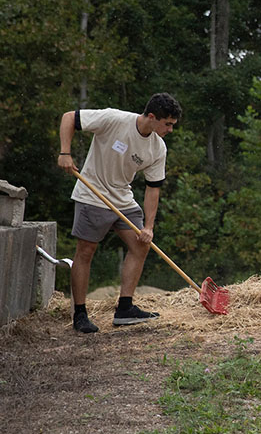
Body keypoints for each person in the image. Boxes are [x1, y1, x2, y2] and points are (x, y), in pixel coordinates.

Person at [57, 93, 182, 333]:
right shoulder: (113, 119)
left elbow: (153, 189)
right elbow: (69, 118)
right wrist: (65, 153)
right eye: (167, 124)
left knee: (140, 245)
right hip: (92, 193)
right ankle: (80, 314)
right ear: (152, 117)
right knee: (86, 250)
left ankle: (125, 309)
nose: (170, 130)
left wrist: (148, 227)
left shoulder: (158, 148)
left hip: (122, 198)